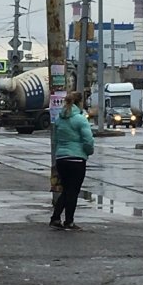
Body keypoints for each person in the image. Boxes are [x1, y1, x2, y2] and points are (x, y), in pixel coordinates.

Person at [49, 91, 95, 230]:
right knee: (73, 191)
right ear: (80, 103)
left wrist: (59, 153)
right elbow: (88, 140)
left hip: (62, 158)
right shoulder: (80, 119)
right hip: (77, 159)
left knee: (66, 190)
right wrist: (88, 152)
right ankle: (69, 221)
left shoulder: (59, 118)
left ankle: (55, 218)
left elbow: (55, 140)